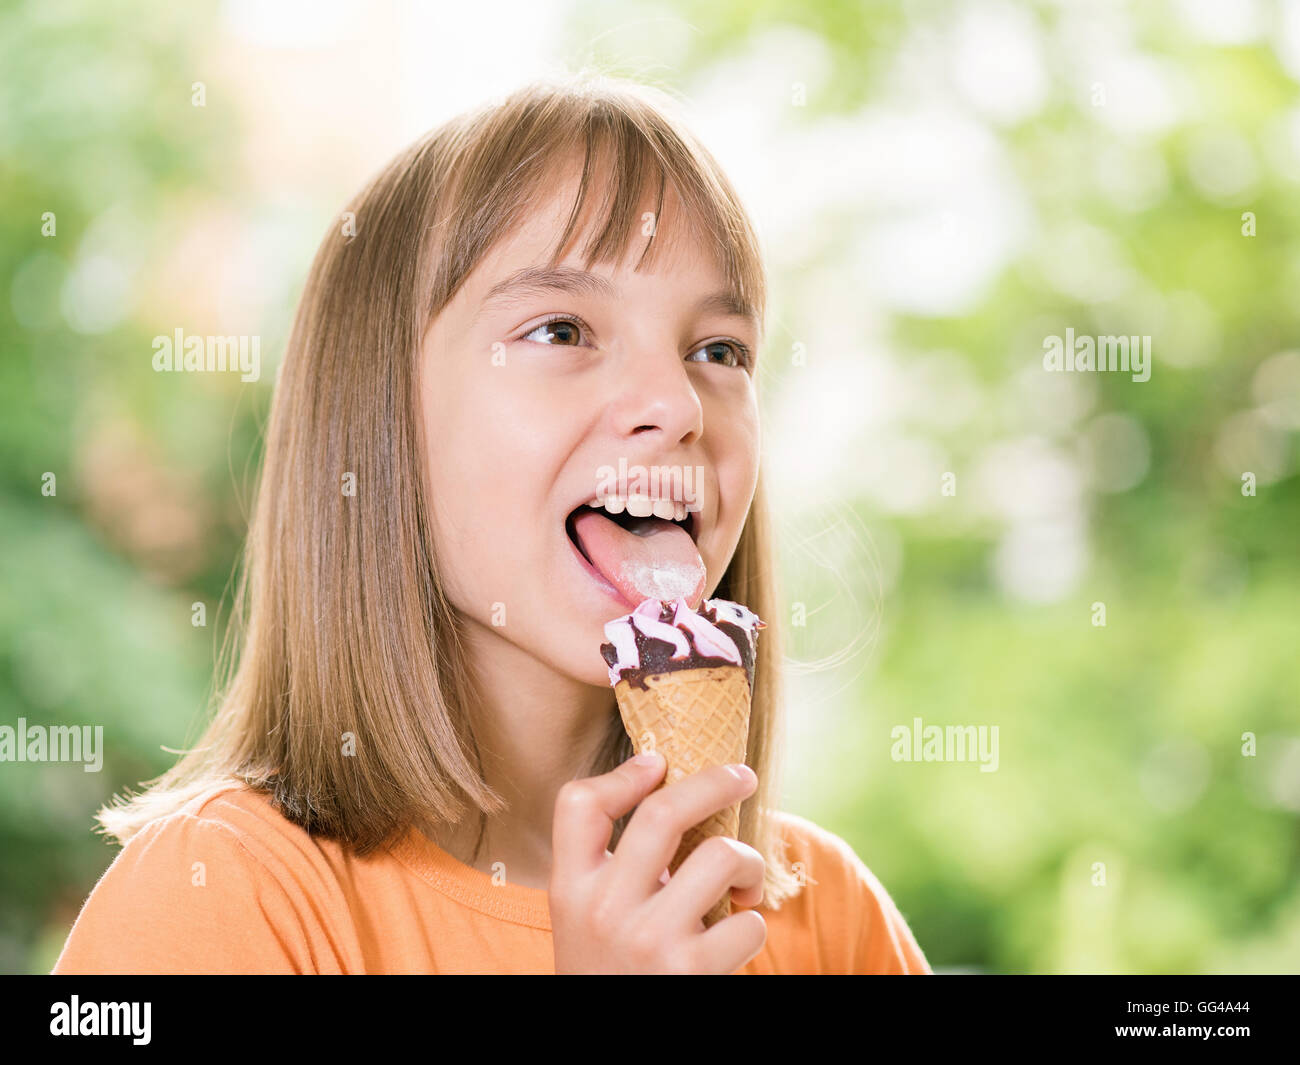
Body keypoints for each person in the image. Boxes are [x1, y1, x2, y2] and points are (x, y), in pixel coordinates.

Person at [53, 74, 931, 975]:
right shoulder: (217, 899)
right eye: (561, 330)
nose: (675, 403)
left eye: (718, 351)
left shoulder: (825, 916)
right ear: (378, 420)